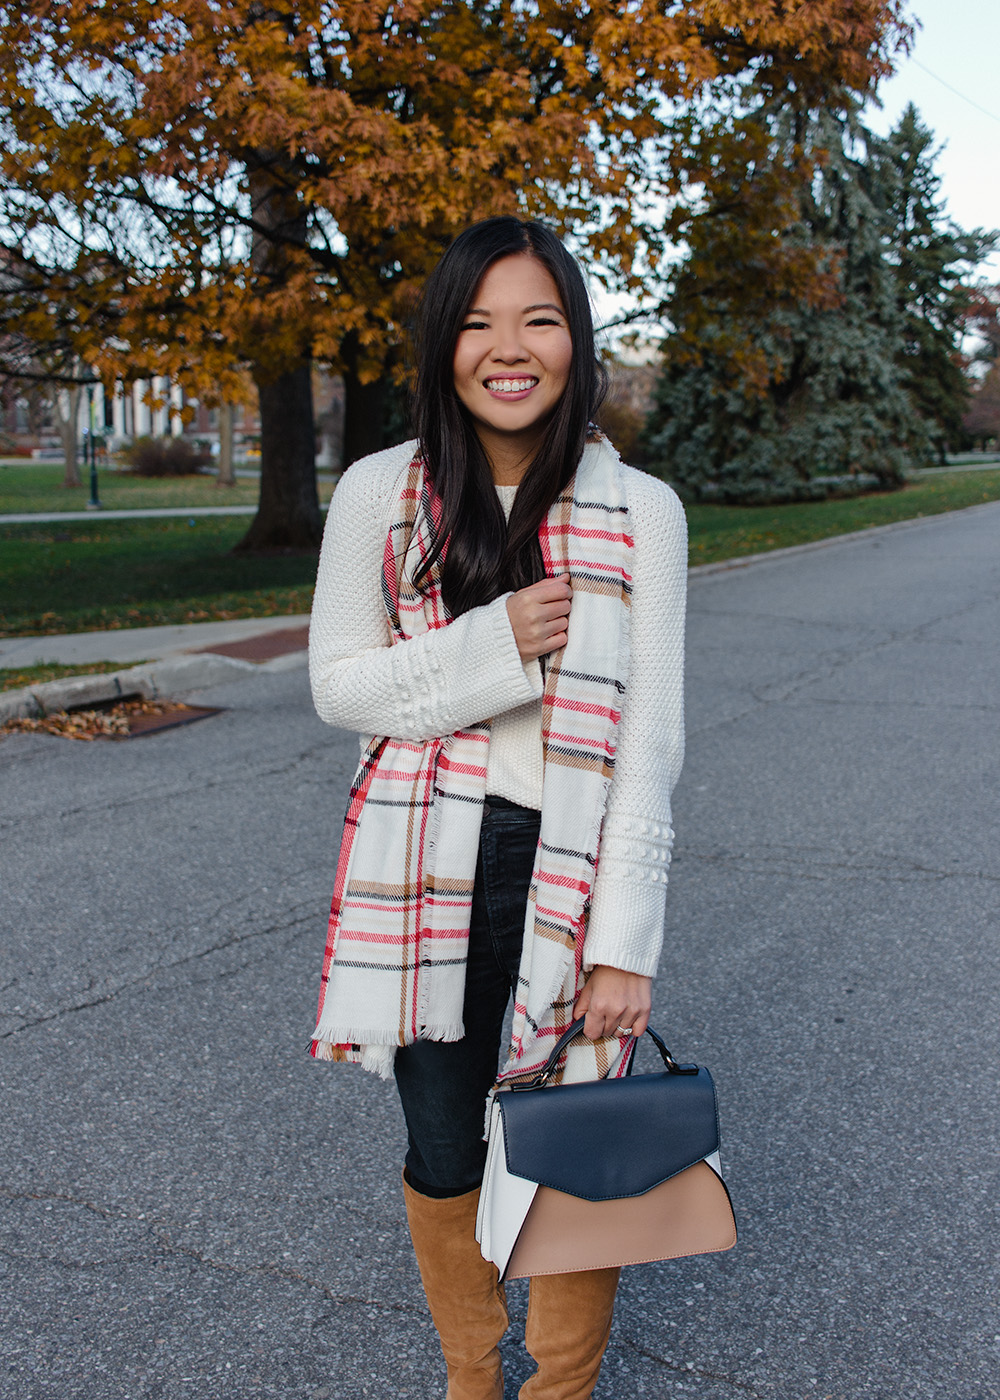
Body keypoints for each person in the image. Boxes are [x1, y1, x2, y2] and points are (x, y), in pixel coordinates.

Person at [307, 216, 687, 1400]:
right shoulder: (382, 490)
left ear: (574, 338)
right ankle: (475, 1377)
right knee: (441, 1146)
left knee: (573, 1141)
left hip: (565, 867)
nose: (507, 348)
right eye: (477, 322)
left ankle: (558, 1388)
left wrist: (622, 944)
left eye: (538, 318)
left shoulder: (644, 510)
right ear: (444, 343)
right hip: (425, 862)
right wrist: (493, 645)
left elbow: (650, 740)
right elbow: (338, 686)